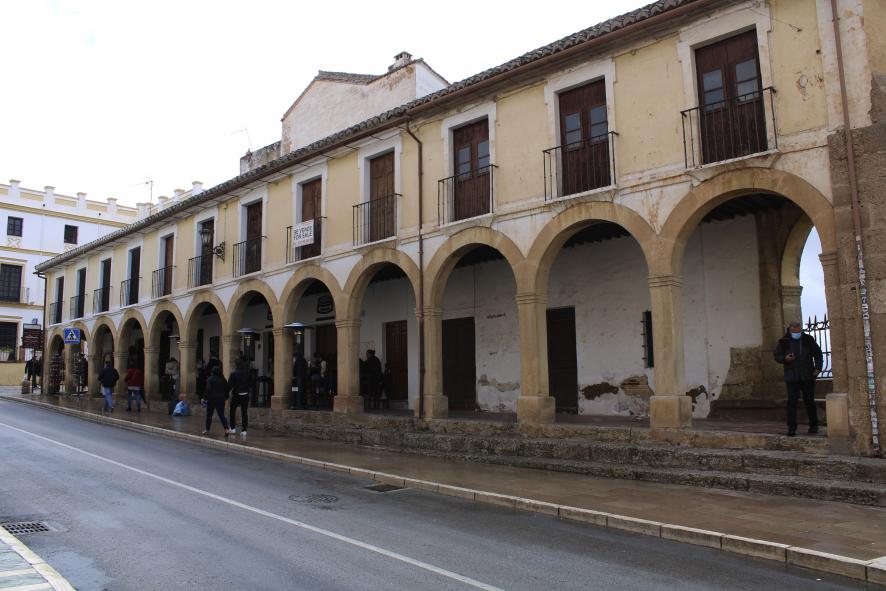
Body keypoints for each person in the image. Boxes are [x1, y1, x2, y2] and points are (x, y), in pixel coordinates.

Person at [774, 321, 823, 436]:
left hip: (807, 375)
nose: (797, 334)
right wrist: (785, 358)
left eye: (799, 331)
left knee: (809, 401)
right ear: (790, 330)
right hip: (792, 376)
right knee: (791, 402)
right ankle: (791, 428)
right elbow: (777, 356)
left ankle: (813, 426)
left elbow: (818, 354)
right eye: (794, 332)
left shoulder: (808, 339)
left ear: (801, 330)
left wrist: (817, 368)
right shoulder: (783, 341)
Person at [202, 366, 231, 436]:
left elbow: (208, 389)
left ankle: (207, 430)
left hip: (211, 399)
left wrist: (204, 398)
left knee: (209, 415)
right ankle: (226, 429)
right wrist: (226, 397)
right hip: (221, 399)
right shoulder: (223, 380)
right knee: (221, 415)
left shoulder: (210, 379)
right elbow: (226, 389)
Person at [228, 359, 253, 438]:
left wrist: (226, 394)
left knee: (232, 411)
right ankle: (244, 430)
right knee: (244, 412)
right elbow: (251, 383)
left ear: (236, 365)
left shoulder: (233, 374)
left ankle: (233, 428)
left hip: (236, 395)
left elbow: (229, 385)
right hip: (245, 394)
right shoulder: (248, 373)